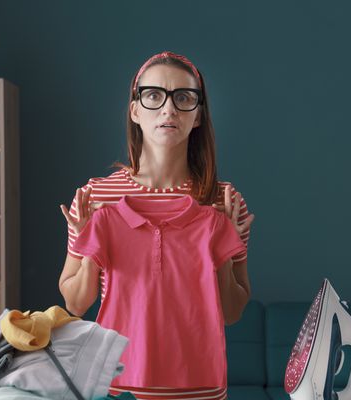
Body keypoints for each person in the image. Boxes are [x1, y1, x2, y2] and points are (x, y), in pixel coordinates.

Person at [58, 51, 255, 400]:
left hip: (200, 387)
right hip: (118, 387)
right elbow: (76, 303)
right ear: (135, 111)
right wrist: (92, 246)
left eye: (183, 98)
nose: (169, 109)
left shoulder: (224, 199)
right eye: (153, 96)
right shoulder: (96, 195)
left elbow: (231, 313)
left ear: (198, 115)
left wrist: (224, 244)